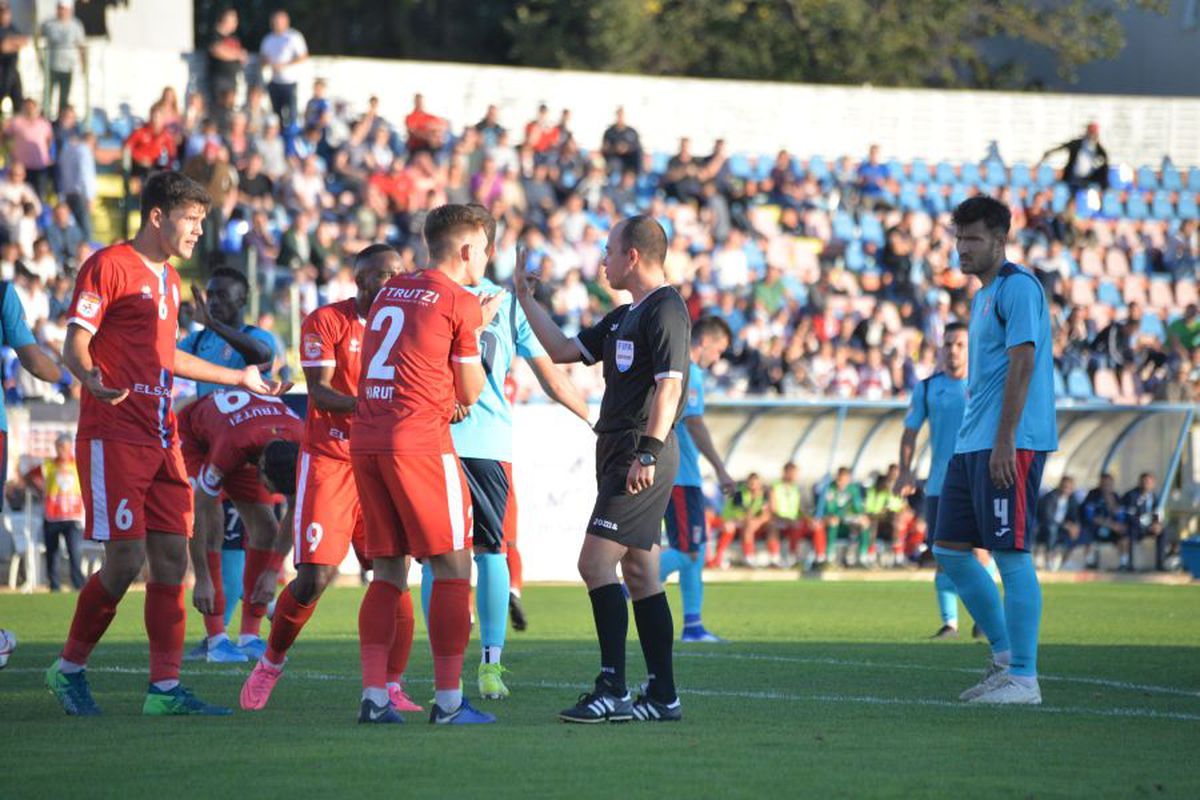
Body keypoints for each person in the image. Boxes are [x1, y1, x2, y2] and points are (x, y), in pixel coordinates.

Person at [45, 171, 283, 717]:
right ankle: (69, 668)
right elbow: (73, 345)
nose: (199, 230)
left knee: (173, 560)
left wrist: (239, 378)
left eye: (202, 220)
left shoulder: (171, 281)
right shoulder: (109, 266)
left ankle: (165, 690)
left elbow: (167, 358)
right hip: (115, 432)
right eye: (192, 219)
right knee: (126, 559)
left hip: (161, 434)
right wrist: (92, 378)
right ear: (158, 216)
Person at [516, 214, 690, 724]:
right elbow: (563, 350)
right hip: (619, 451)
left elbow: (670, 387)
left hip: (641, 453)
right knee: (638, 570)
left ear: (632, 256)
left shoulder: (666, 309)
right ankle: (663, 696)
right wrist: (528, 302)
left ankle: (611, 687)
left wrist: (649, 453)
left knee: (594, 564)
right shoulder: (623, 316)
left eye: (610, 251)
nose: (603, 261)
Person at [240, 243, 423, 714]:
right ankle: (271, 661)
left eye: (400, 273)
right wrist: (376, 405)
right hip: (331, 460)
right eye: (384, 275)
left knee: (394, 576)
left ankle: (393, 684)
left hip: (382, 460)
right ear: (360, 280)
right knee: (315, 577)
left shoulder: (409, 327)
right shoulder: (326, 321)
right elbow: (320, 392)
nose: (394, 282)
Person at [421, 206, 589, 700]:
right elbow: (552, 377)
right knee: (492, 552)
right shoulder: (506, 302)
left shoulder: (420, 295)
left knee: (440, 560)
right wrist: (594, 418)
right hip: (488, 445)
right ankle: (491, 665)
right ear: (480, 249)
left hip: (433, 444)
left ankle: (442, 670)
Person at [351, 204, 502, 725]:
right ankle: (448, 701)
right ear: (465, 250)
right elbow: (471, 392)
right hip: (418, 441)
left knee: (388, 570)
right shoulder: (460, 300)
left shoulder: (392, 290)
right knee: (454, 566)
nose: (487, 257)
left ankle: (374, 698)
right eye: (483, 249)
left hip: (366, 438)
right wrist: (480, 327)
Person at [933, 196, 1058, 706]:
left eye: (974, 239)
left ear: (1001, 239)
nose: (963, 248)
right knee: (949, 552)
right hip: (973, 444)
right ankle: (1006, 659)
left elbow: (1023, 363)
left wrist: (1005, 438)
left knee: (1009, 553)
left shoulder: (1018, 288)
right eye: (959, 238)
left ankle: (1025, 679)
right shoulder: (982, 298)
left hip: (1010, 442)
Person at [179, 390, 301, 662]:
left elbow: (296, 509)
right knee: (215, 523)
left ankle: (249, 637)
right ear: (261, 467)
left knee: (267, 528)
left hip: (249, 434)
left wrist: (273, 572)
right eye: (269, 484)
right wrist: (202, 579)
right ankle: (216, 641)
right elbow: (201, 511)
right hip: (198, 438)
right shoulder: (231, 447)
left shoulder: (302, 442)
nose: (268, 492)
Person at [896, 321, 991, 638]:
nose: (953, 350)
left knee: (979, 553)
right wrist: (906, 471)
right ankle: (950, 623)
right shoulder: (927, 387)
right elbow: (910, 432)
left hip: (978, 482)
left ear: (970, 348)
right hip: (939, 485)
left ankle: (985, 619)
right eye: (948, 344)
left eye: (960, 344)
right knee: (943, 554)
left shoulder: (984, 384)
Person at [658, 316, 734, 640]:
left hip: (681, 475)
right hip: (680, 476)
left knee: (696, 551)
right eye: (719, 350)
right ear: (704, 342)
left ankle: (693, 625)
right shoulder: (691, 374)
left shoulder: (678, 370)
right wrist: (720, 468)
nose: (719, 358)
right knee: (689, 551)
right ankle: (630, 585)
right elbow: (696, 424)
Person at [177, 267, 275, 397]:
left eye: (222, 295)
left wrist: (213, 324)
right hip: (210, 416)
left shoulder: (256, 335)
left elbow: (262, 354)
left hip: (245, 415)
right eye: (210, 295)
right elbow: (168, 359)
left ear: (242, 300)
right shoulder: (198, 339)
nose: (214, 301)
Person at [22, 433, 85, 591]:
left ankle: (78, 585)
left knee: (75, 553)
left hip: (73, 516)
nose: (62, 450)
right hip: (52, 516)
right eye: (59, 447)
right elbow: (28, 476)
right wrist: (38, 489)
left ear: (71, 447)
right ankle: (54, 586)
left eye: (65, 447)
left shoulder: (79, 464)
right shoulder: (48, 465)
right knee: (52, 554)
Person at [768, 462, 827, 569]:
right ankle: (787, 558)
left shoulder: (797, 488)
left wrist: (810, 520)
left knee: (817, 525)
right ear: (785, 473)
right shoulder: (775, 487)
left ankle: (820, 559)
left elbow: (801, 510)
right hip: (781, 521)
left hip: (795, 520)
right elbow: (773, 510)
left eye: (795, 473)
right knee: (781, 526)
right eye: (792, 473)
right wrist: (786, 519)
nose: (794, 476)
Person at [708, 472, 770, 569]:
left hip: (743, 523)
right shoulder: (739, 493)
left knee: (755, 525)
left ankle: (752, 556)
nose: (753, 485)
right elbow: (743, 514)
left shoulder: (763, 495)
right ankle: (721, 558)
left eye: (755, 483)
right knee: (732, 528)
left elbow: (766, 513)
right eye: (751, 482)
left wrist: (758, 521)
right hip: (727, 520)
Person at [259, 9, 308, 129]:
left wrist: (284, 64)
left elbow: (303, 56)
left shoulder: (294, 37)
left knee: (292, 114)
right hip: (274, 81)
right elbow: (262, 58)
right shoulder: (268, 39)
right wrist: (269, 63)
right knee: (276, 115)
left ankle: (290, 138)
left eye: (279, 21)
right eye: (275, 21)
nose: (277, 24)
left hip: (290, 82)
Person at [37, 1, 86, 118]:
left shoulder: (76, 25)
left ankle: (60, 120)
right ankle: (45, 119)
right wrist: (39, 58)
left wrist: (83, 64)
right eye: (60, 8)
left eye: (64, 9)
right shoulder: (49, 24)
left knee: (64, 97)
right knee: (47, 96)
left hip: (67, 67)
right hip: (51, 65)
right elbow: (38, 38)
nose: (61, 11)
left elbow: (81, 46)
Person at [816, 467, 867, 567]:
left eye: (845, 479)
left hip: (847, 517)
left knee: (864, 523)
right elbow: (829, 509)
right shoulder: (830, 489)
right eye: (840, 479)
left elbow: (858, 507)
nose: (842, 482)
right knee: (833, 522)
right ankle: (829, 557)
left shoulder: (853, 489)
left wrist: (861, 516)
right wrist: (834, 516)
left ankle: (862, 557)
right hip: (832, 518)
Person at [1040, 122, 1109, 191]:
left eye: (1094, 132)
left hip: (1087, 181)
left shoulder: (1100, 152)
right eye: (1091, 131)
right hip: (1072, 178)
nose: (1092, 134)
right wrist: (1049, 153)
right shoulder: (1077, 144)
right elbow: (1063, 147)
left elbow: (1103, 169)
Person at [1121, 472, 1165, 572]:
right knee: (1130, 532)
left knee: (1162, 531)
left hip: (1148, 528)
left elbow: (1157, 512)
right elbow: (1130, 516)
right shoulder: (1131, 495)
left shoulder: (1154, 496)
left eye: (1149, 482)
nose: (1147, 484)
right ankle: (1130, 565)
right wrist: (1145, 526)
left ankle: (1160, 563)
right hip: (1135, 527)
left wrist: (1156, 524)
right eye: (1145, 482)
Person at [1035, 475, 1081, 571]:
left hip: (1063, 527)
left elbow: (1075, 516)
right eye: (1065, 487)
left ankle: (1065, 561)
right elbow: (1047, 517)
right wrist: (1066, 525)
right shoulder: (1050, 497)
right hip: (1046, 526)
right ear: (1060, 485)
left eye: (1069, 488)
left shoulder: (1072, 500)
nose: (1066, 490)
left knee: (1077, 532)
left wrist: (1074, 526)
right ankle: (1048, 560)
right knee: (1052, 529)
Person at [206, 7, 247, 105]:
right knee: (220, 107)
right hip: (220, 79)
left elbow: (242, 56)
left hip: (233, 79)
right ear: (224, 20)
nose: (235, 23)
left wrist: (239, 55)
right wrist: (237, 54)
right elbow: (216, 50)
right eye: (233, 20)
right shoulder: (214, 35)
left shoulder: (234, 37)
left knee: (230, 108)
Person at [0, 2, 28, 115]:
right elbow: (3, 47)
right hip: (1, 71)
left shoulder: (13, 27)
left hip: (12, 71)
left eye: (6, 13)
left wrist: (9, 43)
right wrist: (13, 43)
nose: (4, 15)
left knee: (18, 101)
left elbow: (23, 41)